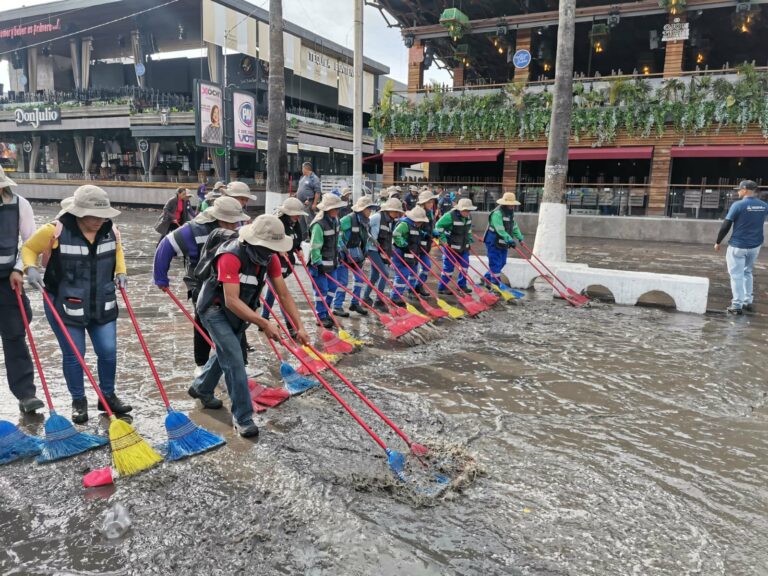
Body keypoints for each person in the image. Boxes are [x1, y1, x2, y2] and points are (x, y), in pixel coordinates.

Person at [190, 215, 309, 438]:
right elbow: (231, 300)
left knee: (227, 352)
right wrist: (264, 323)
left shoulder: (269, 258)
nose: (271, 252)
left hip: (241, 311)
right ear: (254, 241)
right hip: (214, 310)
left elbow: (283, 294)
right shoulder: (231, 256)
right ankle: (243, 417)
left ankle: (202, 388)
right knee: (235, 358)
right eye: (268, 247)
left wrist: (299, 326)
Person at [22, 185, 131, 424]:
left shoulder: (110, 229)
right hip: (64, 303)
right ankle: (78, 400)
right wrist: (30, 268)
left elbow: (117, 250)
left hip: (102, 301)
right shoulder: (55, 230)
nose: (99, 221)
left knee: (108, 352)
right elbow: (29, 248)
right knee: (74, 354)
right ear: (79, 212)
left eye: (103, 216)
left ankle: (107, 396)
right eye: (94, 216)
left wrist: (121, 271)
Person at [153, 196, 250, 373]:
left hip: (230, 280)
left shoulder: (238, 228)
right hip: (200, 282)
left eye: (235, 222)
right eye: (229, 223)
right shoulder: (193, 230)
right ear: (217, 217)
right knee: (203, 322)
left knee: (237, 318)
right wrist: (160, 277)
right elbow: (165, 246)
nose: (233, 226)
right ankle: (202, 364)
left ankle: (241, 363)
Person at [0, 166, 44, 413]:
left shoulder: (19, 205)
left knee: (15, 335)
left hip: (7, 279)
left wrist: (19, 269)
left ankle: (26, 394)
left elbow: (30, 243)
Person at [714, 179, 768, 314]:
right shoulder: (763, 205)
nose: (738, 191)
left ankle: (736, 305)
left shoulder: (738, 205)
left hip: (738, 246)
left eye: (739, 189)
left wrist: (718, 241)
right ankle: (747, 301)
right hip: (755, 246)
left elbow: (726, 225)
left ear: (745, 190)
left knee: (736, 275)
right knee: (747, 272)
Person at [261, 197, 308, 329]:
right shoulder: (276, 223)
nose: (298, 217)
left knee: (274, 291)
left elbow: (296, 240)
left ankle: (263, 318)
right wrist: (278, 249)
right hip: (273, 262)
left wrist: (298, 250)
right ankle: (291, 326)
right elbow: (265, 243)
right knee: (282, 293)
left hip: (286, 263)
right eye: (296, 214)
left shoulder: (295, 223)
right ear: (287, 213)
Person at [308, 193, 346, 329]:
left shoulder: (336, 221)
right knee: (321, 290)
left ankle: (326, 310)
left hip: (333, 262)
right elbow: (315, 247)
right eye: (335, 208)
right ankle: (321, 316)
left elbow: (337, 239)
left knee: (333, 288)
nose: (337, 211)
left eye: (338, 208)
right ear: (327, 209)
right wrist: (318, 263)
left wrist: (340, 252)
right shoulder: (319, 225)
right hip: (319, 265)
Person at [334, 196, 376, 316]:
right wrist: (341, 246)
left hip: (357, 254)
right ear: (362, 209)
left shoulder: (366, 221)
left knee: (360, 279)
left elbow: (365, 235)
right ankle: (337, 306)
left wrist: (367, 246)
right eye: (368, 209)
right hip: (343, 254)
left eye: (371, 209)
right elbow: (337, 231)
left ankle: (355, 303)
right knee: (343, 281)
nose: (370, 211)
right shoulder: (348, 219)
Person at [365, 197, 404, 310]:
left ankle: (365, 297)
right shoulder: (377, 217)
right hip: (372, 250)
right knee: (385, 273)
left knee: (374, 276)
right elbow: (364, 226)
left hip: (382, 250)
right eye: (395, 211)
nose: (397, 214)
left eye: (398, 212)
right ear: (389, 210)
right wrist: (370, 237)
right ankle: (379, 300)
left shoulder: (391, 221)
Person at [435, 198, 477, 294]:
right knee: (448, 269)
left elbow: (468, 229)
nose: (467, 213)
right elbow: (438, 226)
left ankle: (461, 285)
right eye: (465, 210)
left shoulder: (469, 217)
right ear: (459, 209)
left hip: (464, 246)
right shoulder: (449, 216)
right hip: (450, 247)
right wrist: (443, 240)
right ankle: (442, 287)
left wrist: (469, 239)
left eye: (468, 210)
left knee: (465, 266)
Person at [391, 205, 429, 306]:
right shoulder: (405, 224)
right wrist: (403, 245)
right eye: (420, 221)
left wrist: (424, 234)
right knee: (402, 275)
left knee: (414, 272)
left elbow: (416, 233)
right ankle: (395, 296)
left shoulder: (416, 225)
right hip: (401, 253)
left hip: (412, 253)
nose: (421, 223)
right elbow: (396, 234)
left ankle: (410, 290)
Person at [483, 192, 524, 286]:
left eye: (513, 205)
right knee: (495, 263)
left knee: (502, 262)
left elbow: (514, 226)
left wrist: (520, 238)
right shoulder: (497, 214)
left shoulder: (510, 214)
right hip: (493, 241)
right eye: (510, 205)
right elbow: (500, 229)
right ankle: (495, 284)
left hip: (504, 242)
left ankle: (487, 277)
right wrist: (510, 240)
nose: (512, 207)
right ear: (504, 204)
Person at [414, 188, 440, 295]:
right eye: (429, 201)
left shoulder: (430, 212)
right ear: (423, 202)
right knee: (413, 268)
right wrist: (421, 233)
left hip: (426, 244)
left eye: (432, 201)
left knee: (426, 266)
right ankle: (411, 289)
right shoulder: (417, 212)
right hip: (416, 244)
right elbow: (413, 228)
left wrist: (433, 231)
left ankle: (418, 285)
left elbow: (429, 225)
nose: (431, 203)